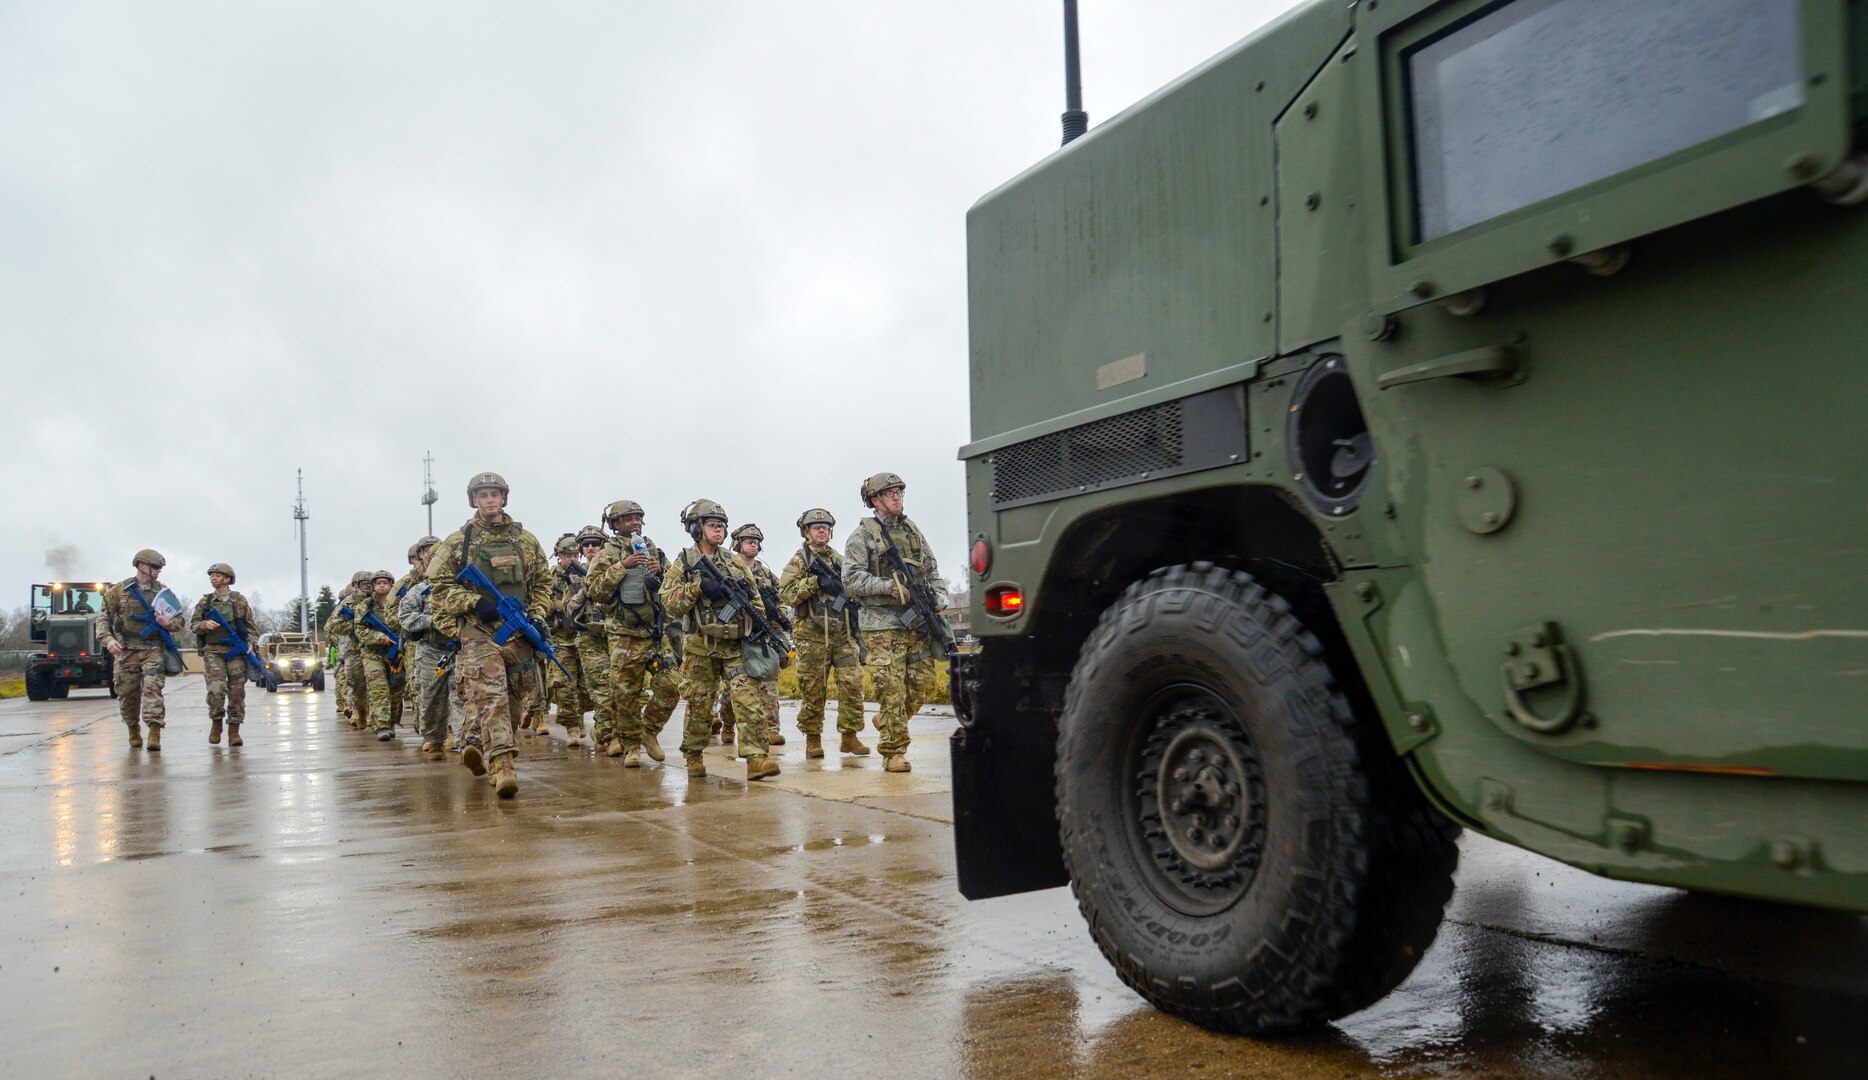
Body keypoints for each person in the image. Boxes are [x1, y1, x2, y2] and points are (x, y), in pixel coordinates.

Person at [425, 471, 553, 798]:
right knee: (490, 697)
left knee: (511, 703)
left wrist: (536, 617)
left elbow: (542, 585)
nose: (490, 500)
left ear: (504, 498)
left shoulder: (525, 541)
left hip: (518, 633)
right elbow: (438, 589)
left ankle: (475, 741)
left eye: (495, 494)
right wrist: (474, 603)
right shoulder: (459, 542)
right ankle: (503, 764)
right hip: (479, 633)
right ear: (474, 500)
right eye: (483, 495)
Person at [659, 499, 780, 781]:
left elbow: (754, 601)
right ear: (696, 528)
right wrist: (698, 587)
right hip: (700, 647)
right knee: (700, 705)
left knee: (748, 700)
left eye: (722, 526)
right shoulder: (686, 562)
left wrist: (759, 628)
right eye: (713, 525)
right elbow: (669, 603)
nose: (719, 530)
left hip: (735, 646)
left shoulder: (734, 562)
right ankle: (694, 755)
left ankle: (756, 759)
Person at [842, 472, 949, 773]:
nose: (897, 497)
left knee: (924, 684)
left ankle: (885, 722)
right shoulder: (862, 535)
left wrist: (940, 594)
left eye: (899, 492)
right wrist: (888, 586)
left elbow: (930, 568)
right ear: (875, 500)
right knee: (891, 689)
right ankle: (893, 752)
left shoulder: (913, 531)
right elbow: (850, 580)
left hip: (915, 621)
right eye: (889, 493)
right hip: (881, 624)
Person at [585, 500, 679, 767]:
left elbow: (674, 585)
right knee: (625, 695)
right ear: (616, 524)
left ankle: (649, 731)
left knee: (672, 686)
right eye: (629, 519)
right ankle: (631, 747)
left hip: (654, 633)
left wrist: (661, 572)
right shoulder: (607, 553)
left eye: (638, 518)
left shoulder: (654, 550)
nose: (635, 522)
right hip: (623, 633)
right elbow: (594, 590)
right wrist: (622, 566)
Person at [777, 509, 868, 758]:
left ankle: (849, 736)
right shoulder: (799, 561)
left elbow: (855, 586)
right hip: (811, 637)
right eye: (816, 527)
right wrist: (814, 583)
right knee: (813, 690)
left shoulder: (840, 559)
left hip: (843, 634)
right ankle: (813, 740)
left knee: (853, 684)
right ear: (806, 532)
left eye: (825, 527)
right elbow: (785, 592)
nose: (821, 530)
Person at [97, 549, 184, 751]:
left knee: (153, 689)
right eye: (155, 567)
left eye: (160, 567)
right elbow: (103, 619)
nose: (158, 571)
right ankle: (133, 730)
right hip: (125, 650)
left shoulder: (163, 593)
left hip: (152, 649)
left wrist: (167, 623)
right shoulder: (118, 591)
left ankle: (155, 732)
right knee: (127, 694)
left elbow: (180, 620)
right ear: (141, 565)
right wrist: (108, 639)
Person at [721, 523, 787, 755]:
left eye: (757, 542)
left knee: (768, 681)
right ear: (738, 543)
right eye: (749, 541)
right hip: (736, 634)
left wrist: (780, 616)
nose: (754, 545)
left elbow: (781, 599)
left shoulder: (766, 574)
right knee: (733, 686)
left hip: (762, 633)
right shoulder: (728, 567)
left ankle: (771, 729)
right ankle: (727, 724)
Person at [397, 537, 455, 761]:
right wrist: (432, 621)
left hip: (456, 648)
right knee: (431, 698)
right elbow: (405, 617)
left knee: (460, 695)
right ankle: (435, 739)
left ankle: (465, 740)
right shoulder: (420, 591)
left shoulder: (460, 587)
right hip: (430, 650)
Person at [565, 525, 621, 757]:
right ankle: (608, 736)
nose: (591, 548)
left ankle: (608, 731)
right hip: (589, 637)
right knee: (601, 689)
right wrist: (586, 589)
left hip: (617, 634)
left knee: (621, 688)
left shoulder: (615, 569)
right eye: (586, 544)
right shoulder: (575, 575)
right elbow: (568, 608)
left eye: (596, 544)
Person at [190, 562, 259, 746]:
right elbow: (193, 625)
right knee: (216, 690)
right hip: (213, 651)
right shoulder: (205, 602)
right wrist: (205, 625)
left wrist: (250, 643)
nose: (213, 577)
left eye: (218, 575)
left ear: (227, 578)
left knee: (237, 692)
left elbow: (251, 626)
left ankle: (234, 729)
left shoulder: (239, 600)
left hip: (236, 652)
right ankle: (216, 722)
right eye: (212, 575)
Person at [545, 533, 591, 748]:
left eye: (574, 554)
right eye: (567, 554)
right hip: (560, 639)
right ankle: (572, 726)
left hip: (583, 636)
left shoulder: (585, 574)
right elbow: (540, 603)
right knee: (564, 685)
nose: (571, 559)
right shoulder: (550, 577)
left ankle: (579, 717)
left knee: (585, 686)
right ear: (558, 555)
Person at [392, 539, 437, 742]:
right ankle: (426, 731)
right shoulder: (407, 583)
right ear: (417, 556)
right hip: (416, 641)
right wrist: (418, 623)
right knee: (420, 686)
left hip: (448, 639)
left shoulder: (448, 574)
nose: (430, 554)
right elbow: (393, 611)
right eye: (426, 551)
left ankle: (452, 733)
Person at [354, 570, 405, 741]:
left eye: (385, 582)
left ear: (391, 584)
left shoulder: (400, 604)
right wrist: (380, 637)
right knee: (379, 688)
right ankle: (381, 726)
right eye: (378, 583)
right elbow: (360, 630)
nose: (382, 585)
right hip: (372, 653)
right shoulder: (365, 606)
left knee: (396, 688)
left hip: (396, 653)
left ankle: (390, 723)